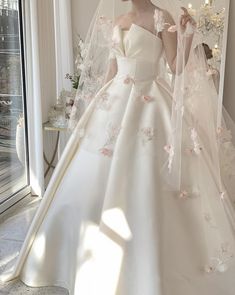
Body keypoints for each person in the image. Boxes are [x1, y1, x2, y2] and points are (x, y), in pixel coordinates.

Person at [1, 0, 235, 294]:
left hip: (150, 102)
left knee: (148, 178)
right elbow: (112, 68)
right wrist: (92, 104)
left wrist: (188, 34)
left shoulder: (162, 16)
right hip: (113, 102)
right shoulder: (120, 20)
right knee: (87, 179)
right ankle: (75, 255)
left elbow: (175, 68)